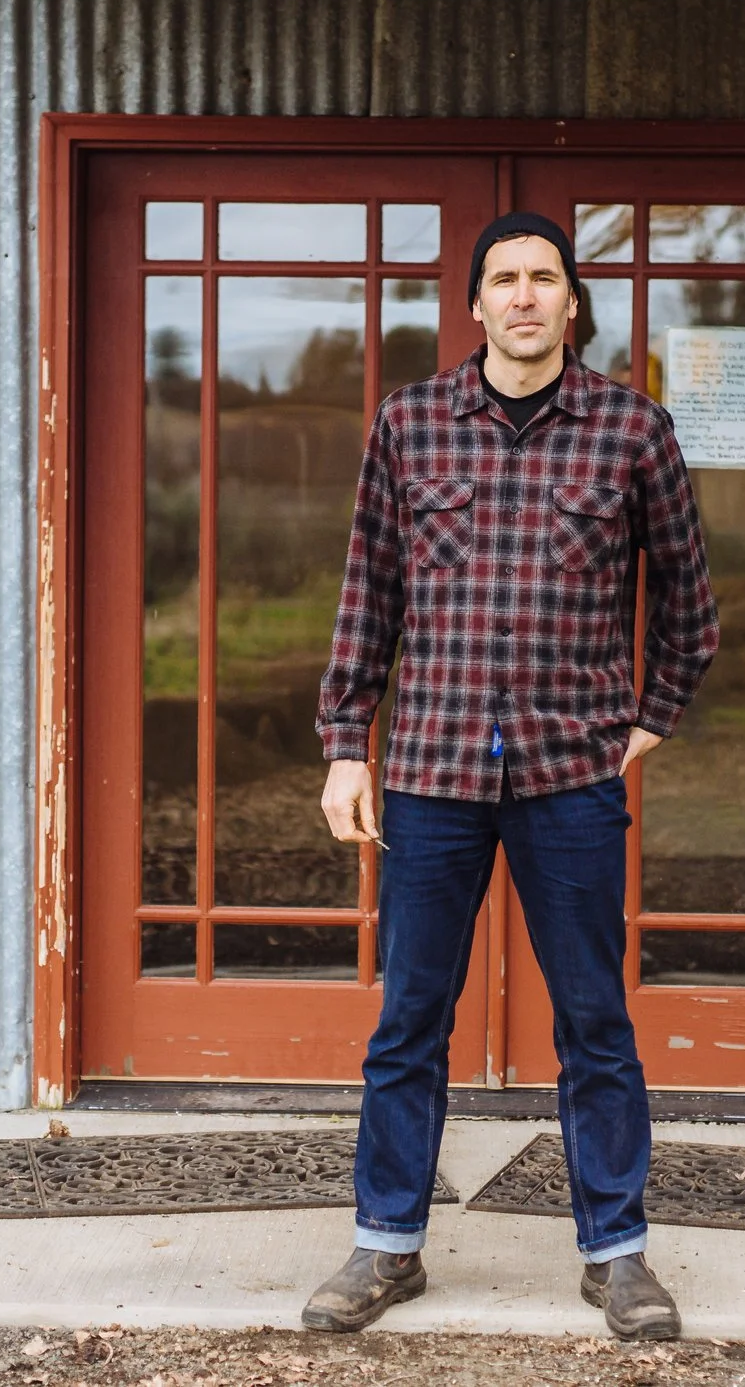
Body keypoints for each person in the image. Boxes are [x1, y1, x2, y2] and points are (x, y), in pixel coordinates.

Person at [305, 210, 719, 1340]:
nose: (526, 295)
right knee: (409, 1021)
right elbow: (368, 598)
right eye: (505, 279)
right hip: (434, 768)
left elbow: (688, 609)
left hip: (568, 777)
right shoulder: (410, 425)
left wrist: (644, 723)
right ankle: (385, 1245)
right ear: (476, 304)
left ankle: (617, 1254)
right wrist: (348, 740)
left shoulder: (632, 431)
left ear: (570, 304)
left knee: (593, 1020)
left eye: (545, 277)